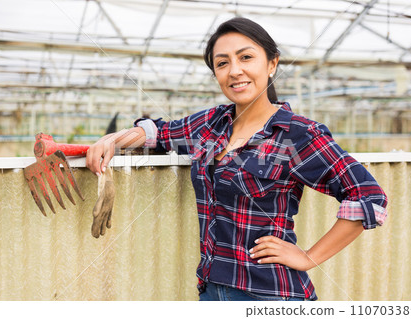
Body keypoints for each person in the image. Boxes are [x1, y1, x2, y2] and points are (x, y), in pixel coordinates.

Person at [86, 17, 388, 301]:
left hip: (270, 295)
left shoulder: (298, 134)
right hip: (211, 289)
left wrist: (308, 257)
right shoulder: (211, 124)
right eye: (222, 63)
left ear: (272, 64)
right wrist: (112, 139)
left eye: (246, 57)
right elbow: (158, 133)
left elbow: (369, 197)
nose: (234, 71)